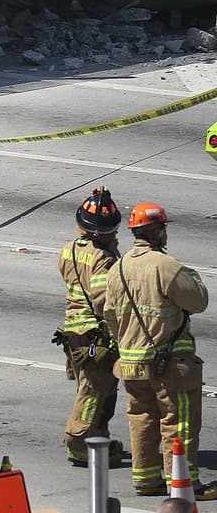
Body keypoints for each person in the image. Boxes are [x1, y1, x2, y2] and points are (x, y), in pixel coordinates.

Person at [104, 203, 217, 499]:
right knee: (179, 423)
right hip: (169, 366)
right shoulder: (167, 266)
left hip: (131, 364)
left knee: (141, 419)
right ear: (155, 231)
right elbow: (198, 301)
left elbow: (110, 315)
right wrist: (192, 276)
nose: (165, 233)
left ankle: (146, 481)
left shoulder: (118, 268)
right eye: (163, 228)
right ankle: (185, 484)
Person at [56, 187, 124, 468]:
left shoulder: (68, 250)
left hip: (73, 331)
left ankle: (97, 437)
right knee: (94, 391)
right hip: (94, 334)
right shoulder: (103, 259)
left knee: (94, 390)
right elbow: (102, 301)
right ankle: (79, 443)